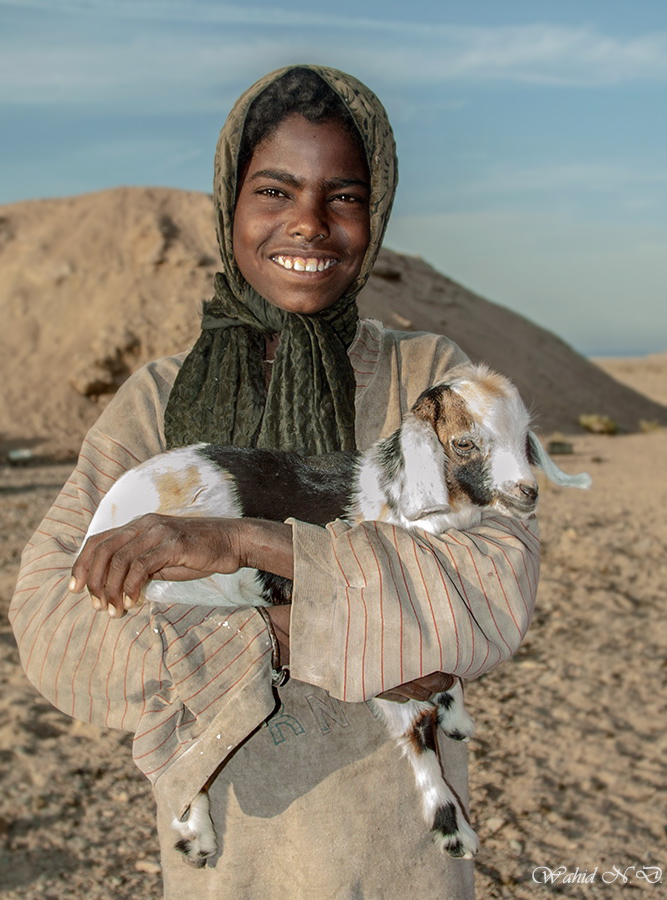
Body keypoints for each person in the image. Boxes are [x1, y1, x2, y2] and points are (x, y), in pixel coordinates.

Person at [10, 65, 540, 899]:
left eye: (345, 196)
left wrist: (235, 543)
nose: (309, 223)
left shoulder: (429, 380)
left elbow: (485, 596)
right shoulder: (155, 402)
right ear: (230, 206)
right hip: (227, 868)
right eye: (274, 191)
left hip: (398, 861)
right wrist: (295, 635)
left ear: (376, 211)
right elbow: (55, 628)